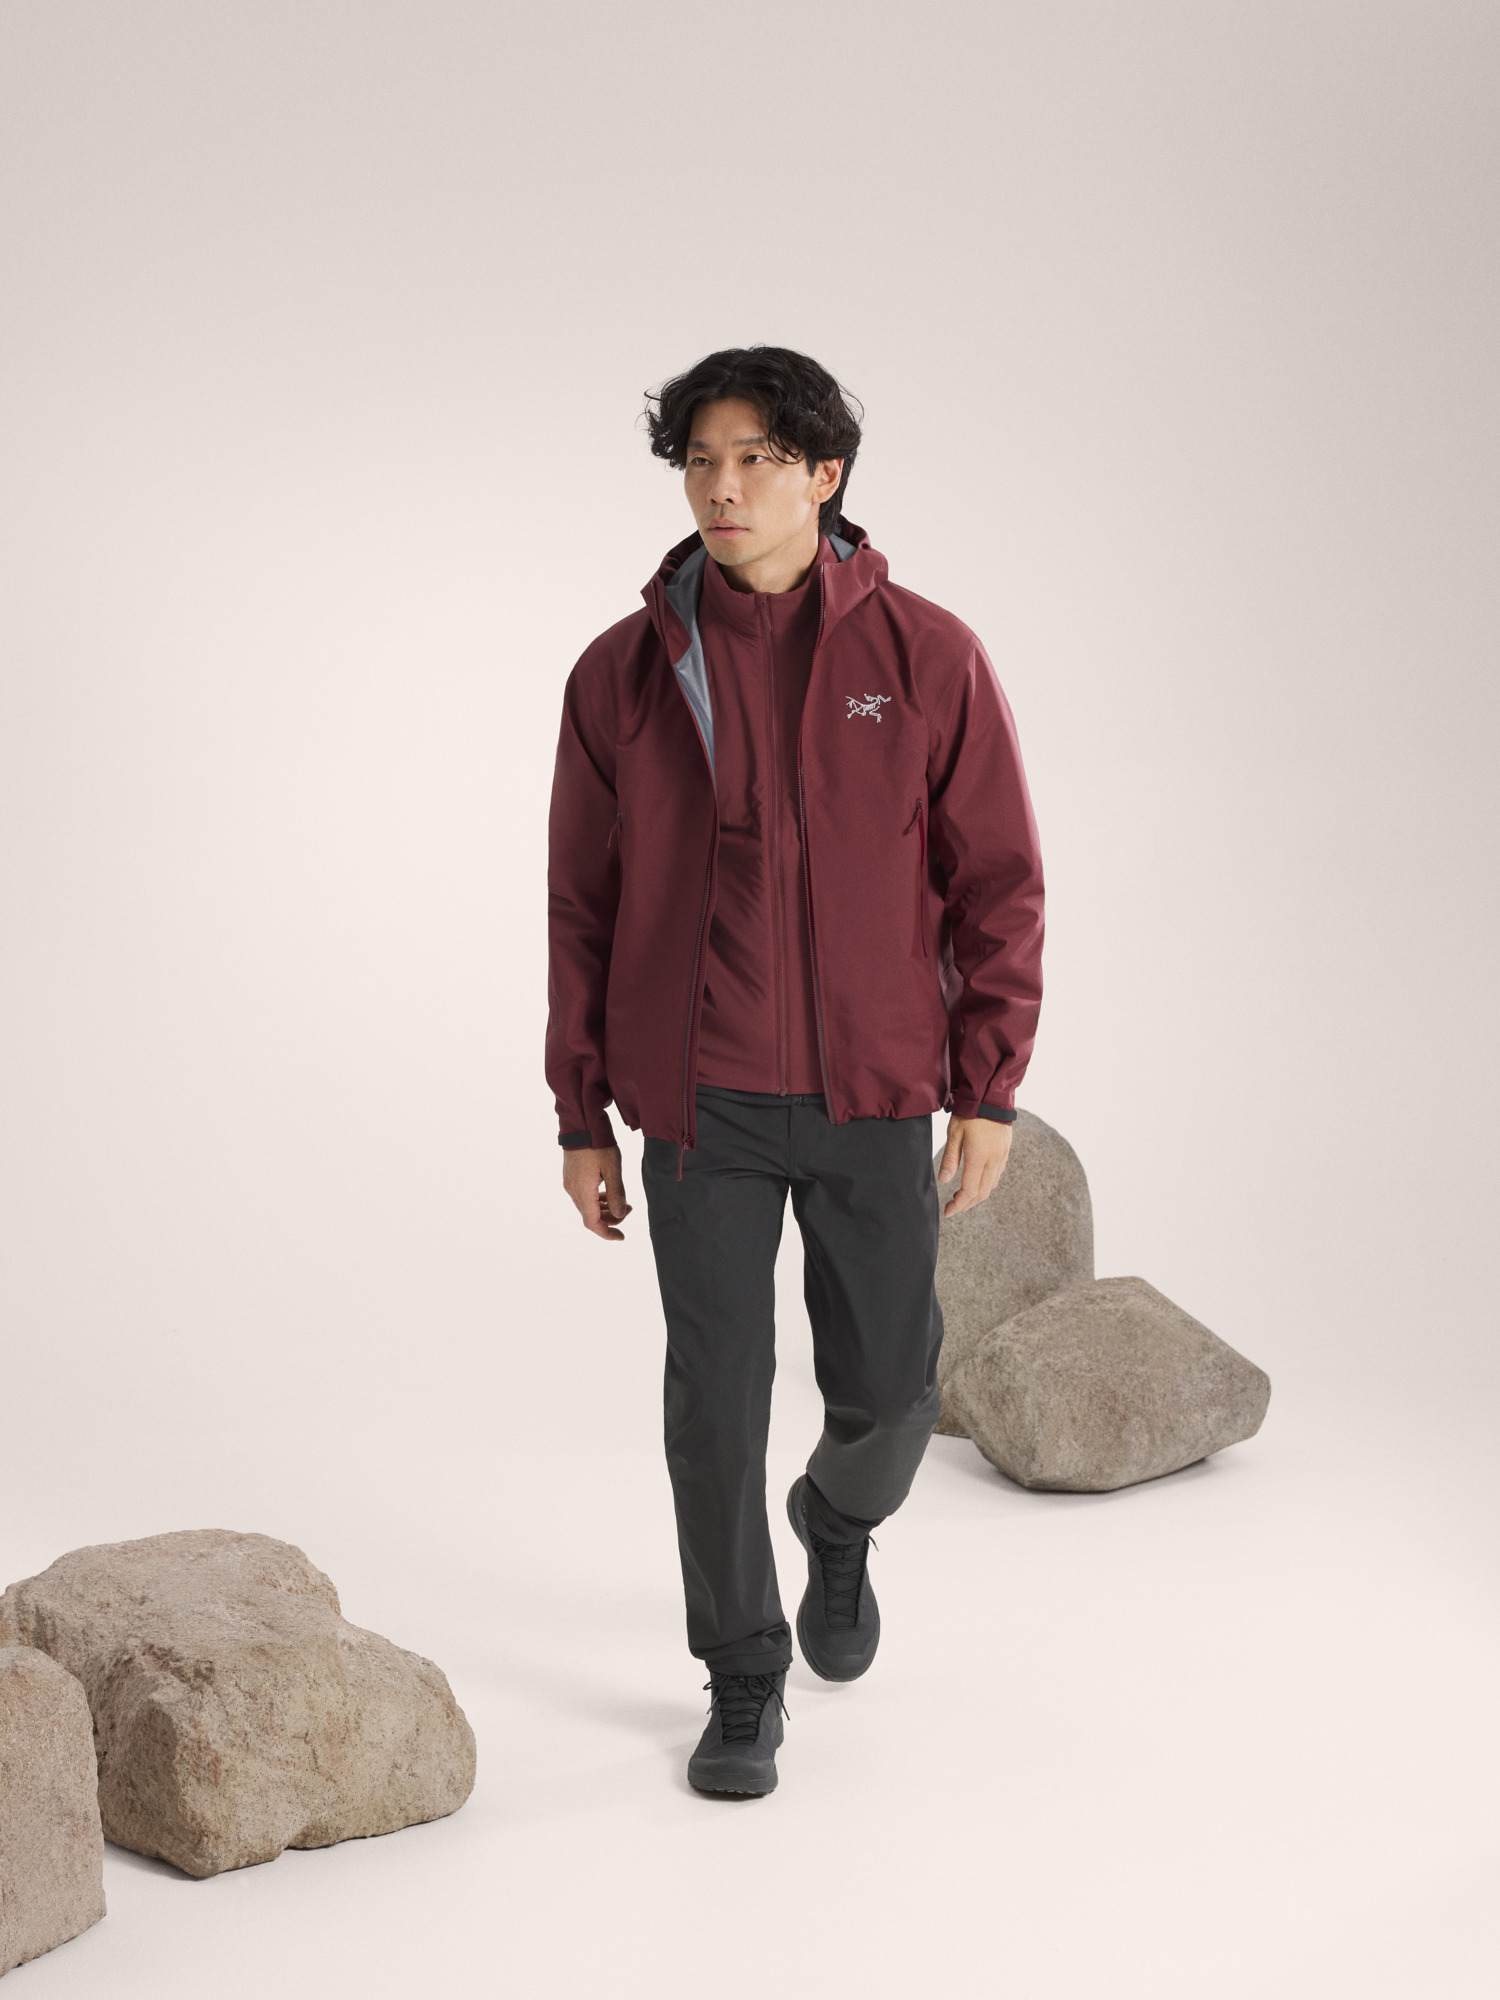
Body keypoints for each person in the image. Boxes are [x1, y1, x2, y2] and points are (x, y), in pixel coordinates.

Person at [546, 346, 1044, 1796]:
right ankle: (741, 1674)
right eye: (701, 460)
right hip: (700, 1103)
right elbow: (580, 904)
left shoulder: (927, 656)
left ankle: (837, 1519)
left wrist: (988, 1085)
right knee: (716, 1399)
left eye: (757, 458)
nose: (723, 486)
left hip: (871, 1092)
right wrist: (582, 1113)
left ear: (825, 475)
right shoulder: (622, 673)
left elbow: (999, 883)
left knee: (894, 1392)